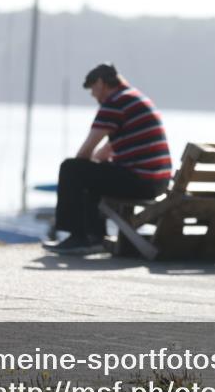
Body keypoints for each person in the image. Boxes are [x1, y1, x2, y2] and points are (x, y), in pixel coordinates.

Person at [44, 63, 172, 255]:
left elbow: (84, 153)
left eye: (93, 90)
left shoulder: (114, 103)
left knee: (71, 169)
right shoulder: (136, 99)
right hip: (158, 182)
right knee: (95, 173)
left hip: (140, 180)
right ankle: (94, 237)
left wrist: (89, 164)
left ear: (101, 83)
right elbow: (107, 151)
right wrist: (95, 164)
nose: (93, 96)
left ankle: (78, 237)